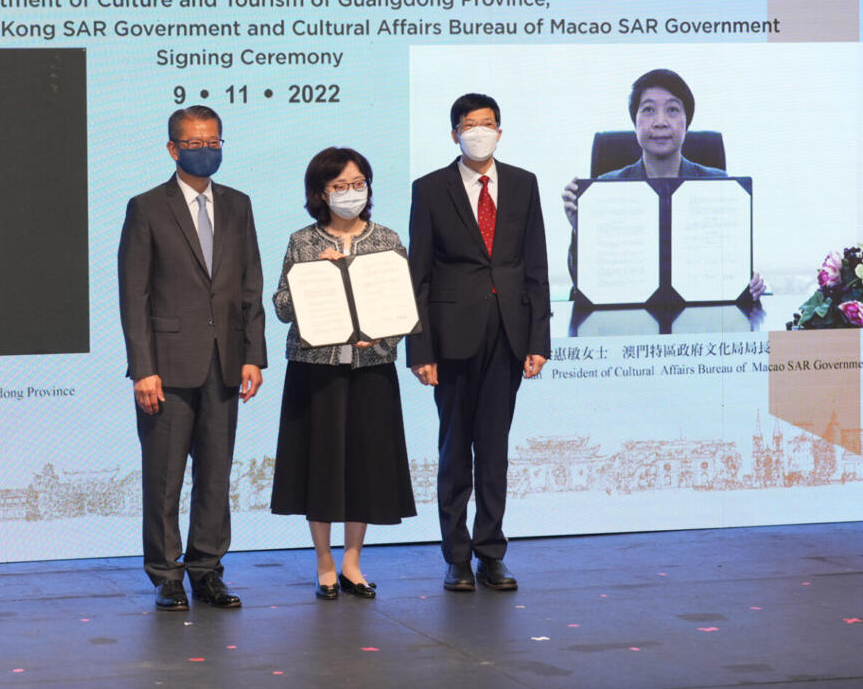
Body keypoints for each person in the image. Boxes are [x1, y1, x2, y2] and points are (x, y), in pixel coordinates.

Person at [117, 105, 267, 611]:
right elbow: (133, 294)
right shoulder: (147, 207)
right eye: (195, 143)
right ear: (172, 149)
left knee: (216, 475)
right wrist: (143, 369)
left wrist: (253, 355)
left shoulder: (238, 204)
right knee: (164, 478)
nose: (206, 151)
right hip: (166, 367)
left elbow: (250, 284)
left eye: (213, 142)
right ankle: (166, 575)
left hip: (225, 362)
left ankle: (207, 571)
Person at [406, 93, 551, 592]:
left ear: (500, 131)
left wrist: (538, 339)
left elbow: (536, 266)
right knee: (454, 450)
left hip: (509, 334)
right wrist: (420, 349)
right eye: (470, 125)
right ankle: (456, 557)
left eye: (488, 124)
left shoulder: (524, 183)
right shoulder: (430, 189)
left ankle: (491, 552)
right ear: (455, 134)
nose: (479, 132)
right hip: (451, 338)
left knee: (493, 450)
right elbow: (418, 275)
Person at [270, 147, 417, 601]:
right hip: (316, 370)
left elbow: (405, 305)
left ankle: (353, 562)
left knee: (365, 465)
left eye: (358, 184)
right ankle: (324, 563)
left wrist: (382, 335)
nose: (351, 193)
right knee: (322, 464)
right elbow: (281, 307)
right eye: (340, 186)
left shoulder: (387, 239)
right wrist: (313, 277)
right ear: (321, 192)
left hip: (372, 369)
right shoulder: (303, 241)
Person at [561, 68, 765, 299]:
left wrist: (748, 283)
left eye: (672, 110)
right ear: (635, 121)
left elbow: (728, 271)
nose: (660, 122)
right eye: (648, 110)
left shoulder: (719, 186)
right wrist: (581, 230)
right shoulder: (605, 189)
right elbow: (583, 285)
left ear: (686, 122)